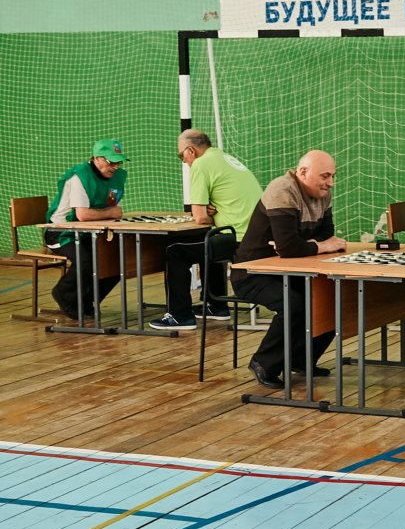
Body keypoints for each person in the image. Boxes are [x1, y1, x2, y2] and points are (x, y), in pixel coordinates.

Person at [231, 151, 347, 389]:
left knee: (332, 298)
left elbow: (325, 233)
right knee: (294, 304)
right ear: (302, 172)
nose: (330, 183)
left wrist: (301, 245)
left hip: (289, 270)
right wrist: (310, 246)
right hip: (252, 274)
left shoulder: (323, 193)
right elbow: (290, 246)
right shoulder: (282, 190)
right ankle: (263, 362)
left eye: (332, 176)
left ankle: (300, 359)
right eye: (325, 176)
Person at [149, 129, 264, 330]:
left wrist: (209, 213)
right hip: (254, 235)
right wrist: (213, 210)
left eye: (181, 156)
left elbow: (200, 217)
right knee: (207, 241)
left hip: (236, 238)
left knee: (174, 251)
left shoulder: (201, 164)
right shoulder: (223, 157)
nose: (184, 162)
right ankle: (216, 306)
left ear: (191, 150)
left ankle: (180, 316)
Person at [46, 139, 128, 319]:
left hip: (87, 232)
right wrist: (111, 212)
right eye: (111, 162)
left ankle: (86, 300)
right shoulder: (80, 176)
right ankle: (64, 295)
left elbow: (106, 209)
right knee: (86, 261)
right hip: (60, 232)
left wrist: (110, 212)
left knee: (116, 263)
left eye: (119, 162)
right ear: (97, 158)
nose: (115, 166)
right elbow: (83, 215)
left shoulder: (117, 176)